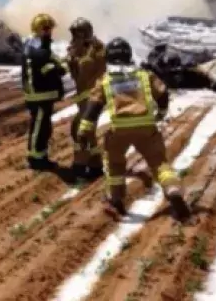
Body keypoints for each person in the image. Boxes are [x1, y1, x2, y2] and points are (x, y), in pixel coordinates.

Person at [75, 37, 191, 221]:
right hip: (146, 128)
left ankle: (116, 200)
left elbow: (93, 109)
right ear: (129, 55)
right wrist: (160, 112)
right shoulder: (145, 75)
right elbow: (162, 93)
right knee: (160, 164)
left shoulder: (105, 81)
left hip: (119, 130)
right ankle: (172, 189)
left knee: (114, 165)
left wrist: (83, 131)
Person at [21, 13, 67, 170]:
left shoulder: (34, 45)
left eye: (50, 29)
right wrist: (59, 67)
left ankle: (41, 155)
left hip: (41, 95)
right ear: (39, 29)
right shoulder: (37, 48)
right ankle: (35, 159)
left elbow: (54, 62)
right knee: (40, 127)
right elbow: (51, 65)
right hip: (39, 96)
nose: (50, 32)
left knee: (43, 127)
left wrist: (60, 64)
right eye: (47, 29)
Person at [65, 18, 106, 179]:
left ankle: (80, 166)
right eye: (73, 34)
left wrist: (79, 56)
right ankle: (95, 164)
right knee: (81, 129)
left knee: (81, 129)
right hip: (83, 96)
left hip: (94, 95)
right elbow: (76, 76)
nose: (74, 37)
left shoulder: (97, 48)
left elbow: (90, 68)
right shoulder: (78, 49)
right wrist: (71, 59)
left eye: (77, 34)